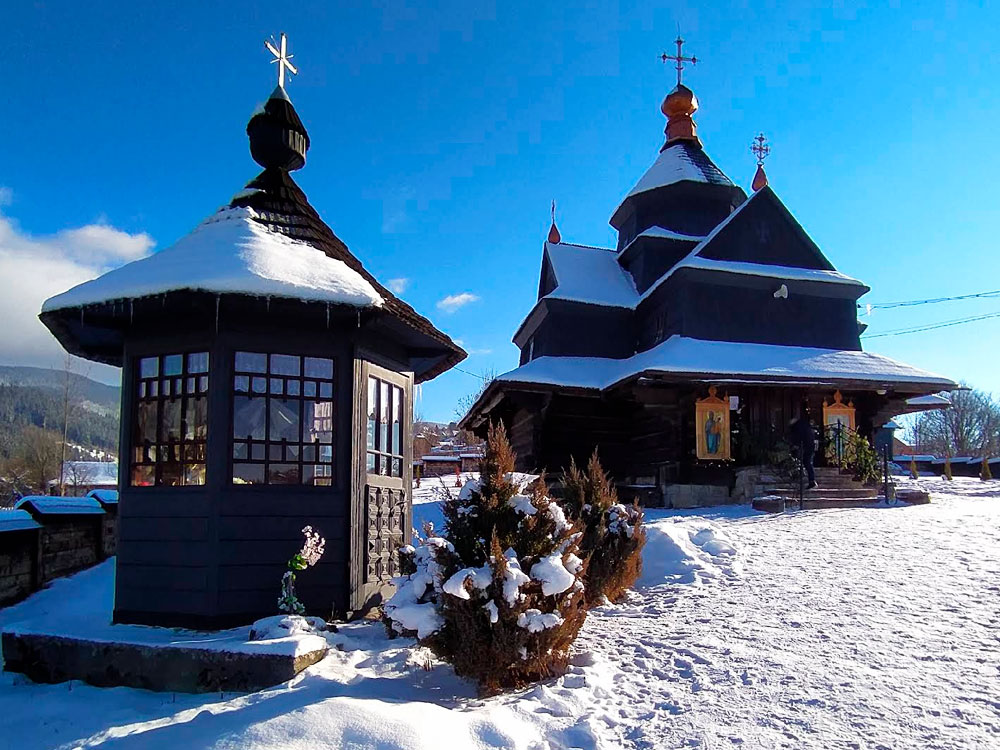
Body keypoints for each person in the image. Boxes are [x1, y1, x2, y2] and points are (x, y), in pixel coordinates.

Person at [789, 408, 818, 489]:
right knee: (807, 462)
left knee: (806, 462)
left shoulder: (798, 426)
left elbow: (798, 436)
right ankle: (810, 480)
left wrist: (795, 444)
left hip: (806, 446)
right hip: (809, 445)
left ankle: (811, 480)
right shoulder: (804, 425)